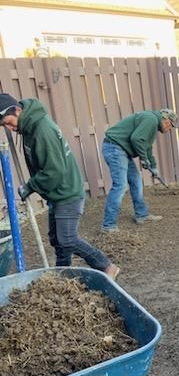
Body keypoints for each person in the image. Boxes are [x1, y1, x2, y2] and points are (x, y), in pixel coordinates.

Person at [0, 93, 120, 280]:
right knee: (57, 239)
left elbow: (54, 171)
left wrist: (29, 186)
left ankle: (106, 266)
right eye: (5, 125)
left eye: (8, 122)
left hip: (66, 191)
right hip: (56, 192)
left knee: (67, 239)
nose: (9, 127)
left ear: (17, 110)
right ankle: (62, 275)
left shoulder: (42, 130)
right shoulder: (29, 126)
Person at [101, 109, 176, 232]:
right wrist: (144, 159)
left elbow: (146, 145)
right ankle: (108, 225)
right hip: (114, 148)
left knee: (136, 180)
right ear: (167, 120)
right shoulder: (151, 120)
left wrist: (153, 165)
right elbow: (136, 139)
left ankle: (142, 214)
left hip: (121, 150)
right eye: (171, 125)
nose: (170, 129)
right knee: (120, 185)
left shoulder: (153, 124)